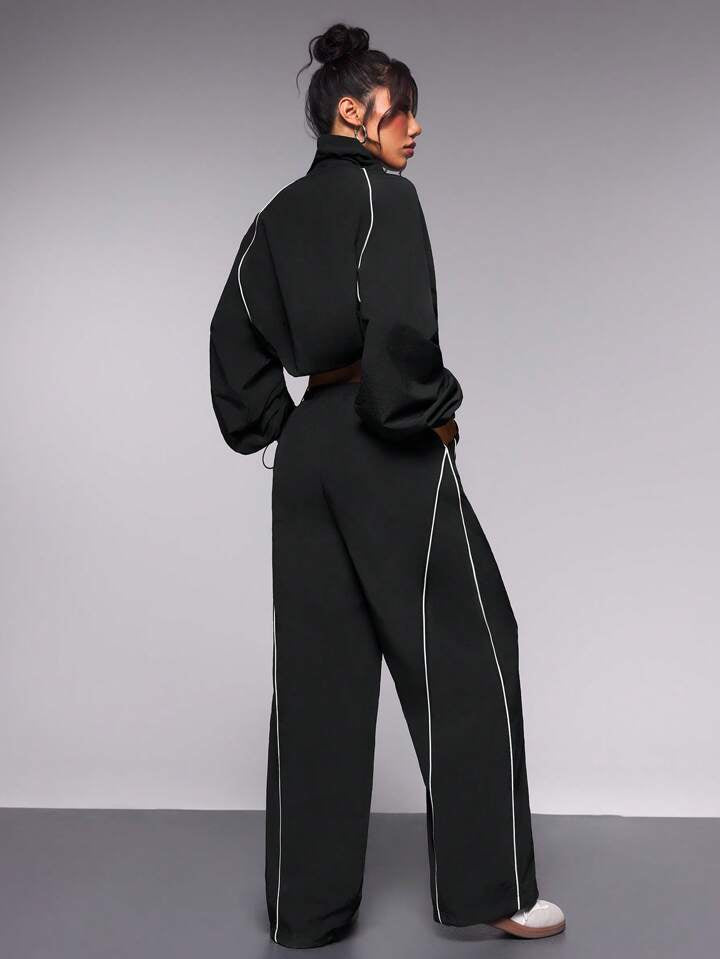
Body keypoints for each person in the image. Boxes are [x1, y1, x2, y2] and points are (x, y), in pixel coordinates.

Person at [209, 22, 566, 950]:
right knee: (470, 647)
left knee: (318, 677)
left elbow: (232, 335)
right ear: (352, 112)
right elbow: (402, 334)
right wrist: (425, 414)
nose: (415, 128)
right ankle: (494, 888)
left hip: (309, 452)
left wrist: (277, 427)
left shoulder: (273, 218)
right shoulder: (387, 198)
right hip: (385, 441)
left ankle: (306, 912)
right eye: (401, 111)